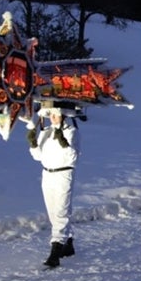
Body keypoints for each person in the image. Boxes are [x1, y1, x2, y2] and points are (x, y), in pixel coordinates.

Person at [27, 107, 80, 267]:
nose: (53, 118)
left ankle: (55, 252)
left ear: (64, 116)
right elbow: (38, 156)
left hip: (63, 174)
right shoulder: (46, 132)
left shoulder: (71, 131)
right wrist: (33, 143)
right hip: (47, 174)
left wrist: (63, 141)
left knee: (61, 211)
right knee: (52, 211)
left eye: (56, 115)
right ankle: (68, 243)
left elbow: (72, 156)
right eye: (51, 115)